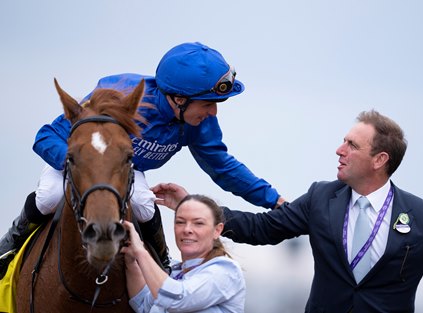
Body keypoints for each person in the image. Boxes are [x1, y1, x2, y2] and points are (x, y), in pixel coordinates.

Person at [0, 41, 285, 278]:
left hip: (123, 171)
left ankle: (162, 262)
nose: (213, 113)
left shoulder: (196, 122)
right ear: (178, 99)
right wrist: (79, 163)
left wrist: (275, 200)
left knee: (144, 204)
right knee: (48, 196)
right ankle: (8, 247)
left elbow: (223, 167)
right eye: (208, 103)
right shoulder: (120, 97)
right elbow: (45, 136)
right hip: (77, 164)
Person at [153, 110, 423, 312]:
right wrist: (195, 210)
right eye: (342, 141)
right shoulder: (321, 197)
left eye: (352, 145)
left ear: (380, 160)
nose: (339, 150)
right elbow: (262, 228)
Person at [121, 194, 245, 313]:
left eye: (198, 223)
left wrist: (141, 252)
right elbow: (144, 305)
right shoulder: (174, 273)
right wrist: (131, 262)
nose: (187, 230)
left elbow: (176, 299)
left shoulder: (226, 271)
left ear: (217, 230)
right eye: (180, 222)